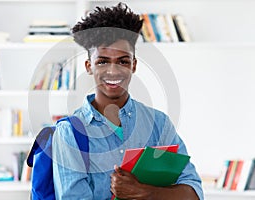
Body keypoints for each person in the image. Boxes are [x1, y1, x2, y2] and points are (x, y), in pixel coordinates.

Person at [52, 2, 204, 200]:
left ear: (134, 65)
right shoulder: (70, 133)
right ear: (89, 66)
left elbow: (194, 193)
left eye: (123, 61)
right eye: (103, 61)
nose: (113, 71)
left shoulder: (159, 124)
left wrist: (144, 192)